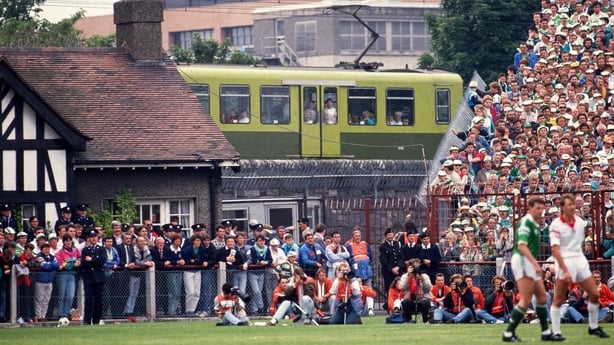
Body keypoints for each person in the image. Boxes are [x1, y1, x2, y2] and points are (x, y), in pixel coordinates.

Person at [549, 194, 610, 340]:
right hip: (564, 260)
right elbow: (555, 250)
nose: (572, 207)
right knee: (558, 298)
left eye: (574, 204)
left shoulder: (579, 222)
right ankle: (556, 331)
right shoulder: (555, 225)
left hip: (579, 260)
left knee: (594, 294)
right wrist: (564, 269)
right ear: (562, 207)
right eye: (569, 204)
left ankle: (593, 327)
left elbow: (579, 245)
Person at [503, 197, 556, 342]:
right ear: (530, 208)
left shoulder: (534, 223)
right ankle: (509, 333)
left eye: (542, 208)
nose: (540, 211)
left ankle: (545, 332)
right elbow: (521, 245)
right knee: (526, 299)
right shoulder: (526, 222)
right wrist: (534, 263)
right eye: (537, 208)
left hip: (528, 261)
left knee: (542, 296)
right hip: (522, 260)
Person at [80, 228, 106, 325]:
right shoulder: (85, 250)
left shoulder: (101, 249)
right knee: (88, 300)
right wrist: (94, 260)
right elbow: (83, 262)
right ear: (88, 239)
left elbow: (102, 261)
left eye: (95, 237)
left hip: (99, 277)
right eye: (91, 237)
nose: (93, 239)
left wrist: (91, 260)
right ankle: (87, 320)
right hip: (89, 277)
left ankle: (96, 320)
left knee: (98, 301)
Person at [55, 233, 81, 319]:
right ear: (63, 242)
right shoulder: (60, 252)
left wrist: (78, 262)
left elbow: (80, 258)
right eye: (66, 240)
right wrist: (71, 263)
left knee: (70, 295)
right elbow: (61, 264)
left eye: (70, 240)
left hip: (72, 274)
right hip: (62, 274)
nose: (68, 242)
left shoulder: (76, 250)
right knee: (62, 295)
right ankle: (60, 314)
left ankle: (66, 313)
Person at [399, 259, 433, 324]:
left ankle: (425, 321)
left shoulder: (424, 276)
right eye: (413, 266)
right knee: (405, 302)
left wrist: (422, 279)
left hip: (422, 299)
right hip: (410, 300)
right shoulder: (405, 276)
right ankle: (409, 321)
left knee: (424, 302)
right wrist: (408, 276)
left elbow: (429, 288)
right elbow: (402, 287)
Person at [247, 234, 272, 314]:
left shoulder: (267, 249)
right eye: (260, 241)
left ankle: (254, 309)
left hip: (261, 272)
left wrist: (266, 262)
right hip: (253, 272)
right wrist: (260, 262)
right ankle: (261, 306)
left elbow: (270, 259)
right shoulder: (252, 249)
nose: (262, 242)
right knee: (256, 291)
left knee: (258, 292)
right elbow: (253, 260)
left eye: (263, 241)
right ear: (256, 242)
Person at [33, 243, 58, 323]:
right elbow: (45, 267)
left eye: (48, 249)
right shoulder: (39, 256)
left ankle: (43, 316)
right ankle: (38, 315)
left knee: (46, 300)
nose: (47, 250)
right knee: (39, 299)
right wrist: (51, 264)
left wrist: (49, 264)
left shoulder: (52, 256)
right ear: (42, 249)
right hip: (40, 281)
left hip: (49, 281)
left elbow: (57, 265)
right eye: (45, 249)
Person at [379, 228, 403, 297]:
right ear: (386, 236)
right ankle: (390, 302)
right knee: (389, 286)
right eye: (389, 235)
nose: (390, 236)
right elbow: (383, 260)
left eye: (391, 235)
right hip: (388, 271)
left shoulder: (398, 243)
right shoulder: (383, 246)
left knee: (400, 286)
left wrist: (398, 266)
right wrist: (391, 269)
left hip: (398, 269)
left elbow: (401, 257)